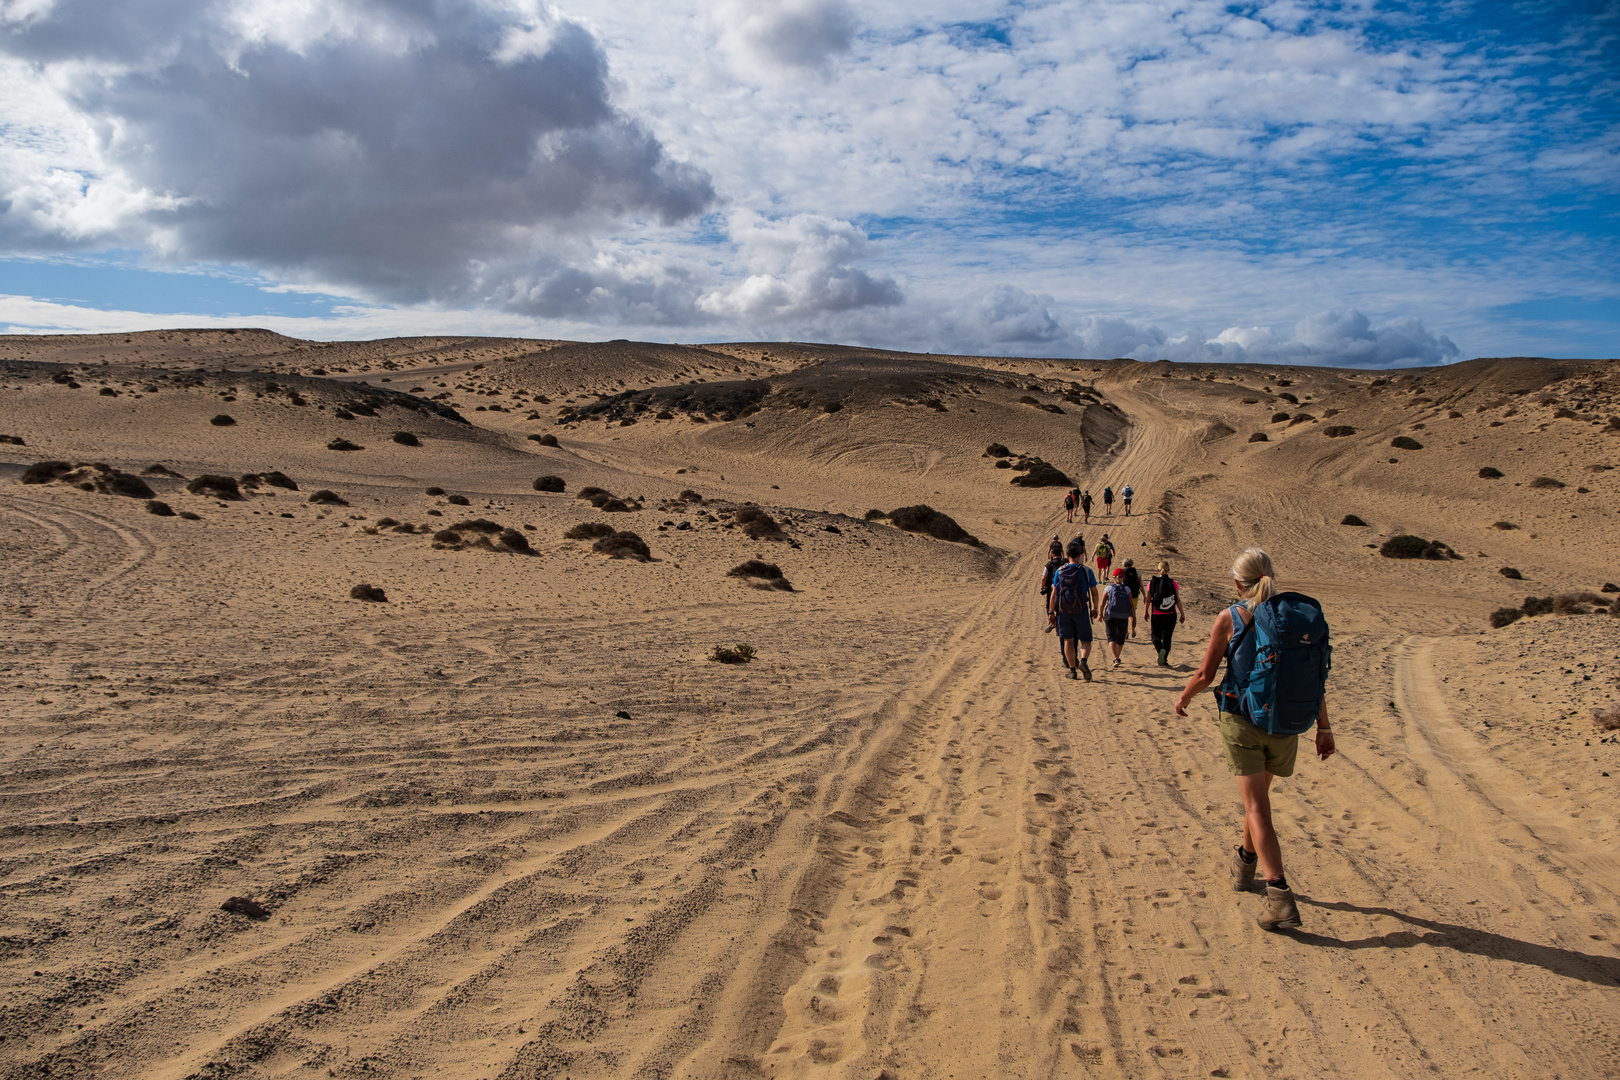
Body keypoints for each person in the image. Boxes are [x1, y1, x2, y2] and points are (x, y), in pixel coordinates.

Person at [1172, 549, 1335, 932]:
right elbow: (1316, 677)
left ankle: (1279, 895)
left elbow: (1205, 673)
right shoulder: (1293, 619)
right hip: (1286, 725)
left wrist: (1184, 697)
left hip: (1243, 722)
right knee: (1257, 800)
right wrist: (1324, 728)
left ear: (1237, 582)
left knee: (1258, 809)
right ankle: (1245, 864)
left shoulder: (1230, 617)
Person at [1047, 539, 1099, 680]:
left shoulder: (1059, 571)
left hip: (1064, 611)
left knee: (1068, 641)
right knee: (1085, 640)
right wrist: (1095, 608)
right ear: (1080, 554)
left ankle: (1072, 671)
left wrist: (1051, 612)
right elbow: (1094, 592)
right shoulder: (1086, 571)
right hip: (1081, 610)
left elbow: (1054, 594)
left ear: (1067, 554)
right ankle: (1083, 661)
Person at [1146, 560, 1185, 666]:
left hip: (1157, 614)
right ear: (1169, 571)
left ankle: (1160, 650)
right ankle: (1165, 658)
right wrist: (1182, 613)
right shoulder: (1173, 583)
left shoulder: (1152, 582)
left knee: (1155, 636)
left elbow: (1148, 599)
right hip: (1171, 614)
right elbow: (1177, 599)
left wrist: (1146, 612)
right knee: (1167, 637)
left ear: (1158, 570)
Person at [1101, 568, 1133, 667]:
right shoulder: (1127, 589)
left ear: (1113, 577)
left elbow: (1102, 603)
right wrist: (1133, 618)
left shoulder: (1109, 588)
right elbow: (1131, 605)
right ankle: (1117, 658)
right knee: (1120, 638)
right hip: (1123, 616)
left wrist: (1100, 614)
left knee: (1111, 637)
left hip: (1111, 615)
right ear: (1124, 577)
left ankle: (1115, 658)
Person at [1038, 537, 1066, 627]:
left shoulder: (1049, 565)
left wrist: (1042, 587)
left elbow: (1043, 578)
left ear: (1052, 554)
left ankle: (1052, 621)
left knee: (1049, 605)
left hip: (1051, 588)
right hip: (1064, 587)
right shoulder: (1064, 563)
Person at [1120, 557, 1143, 638]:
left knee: (1125, 614)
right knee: (1133, 614)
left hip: (1125, 596)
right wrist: (1144, 595)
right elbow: (1140, 585)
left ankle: (1126, 632)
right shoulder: (1137, 573)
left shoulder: (1122, 573)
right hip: (1134, 596)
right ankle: (1133, 630)